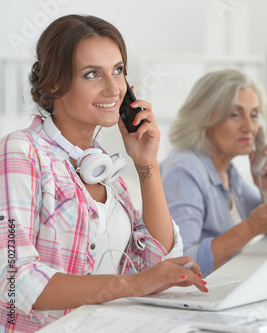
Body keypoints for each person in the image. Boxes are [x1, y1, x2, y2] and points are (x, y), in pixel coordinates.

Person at [0, 15, 206, 332]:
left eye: (118, 71)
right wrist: (129, 284)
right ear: (54, 82)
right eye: (92, 74)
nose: (113, 89)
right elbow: (14, 279)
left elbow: (155, 263)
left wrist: (146, 163)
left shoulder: (105, 172)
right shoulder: (22, 151)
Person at [160, 69, 267, 276]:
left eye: (254, 115)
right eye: (234, 114)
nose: (249, 127)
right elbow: (180, 265)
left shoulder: (226, 170)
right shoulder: (184, 172)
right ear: (203, 118)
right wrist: (250, 228)